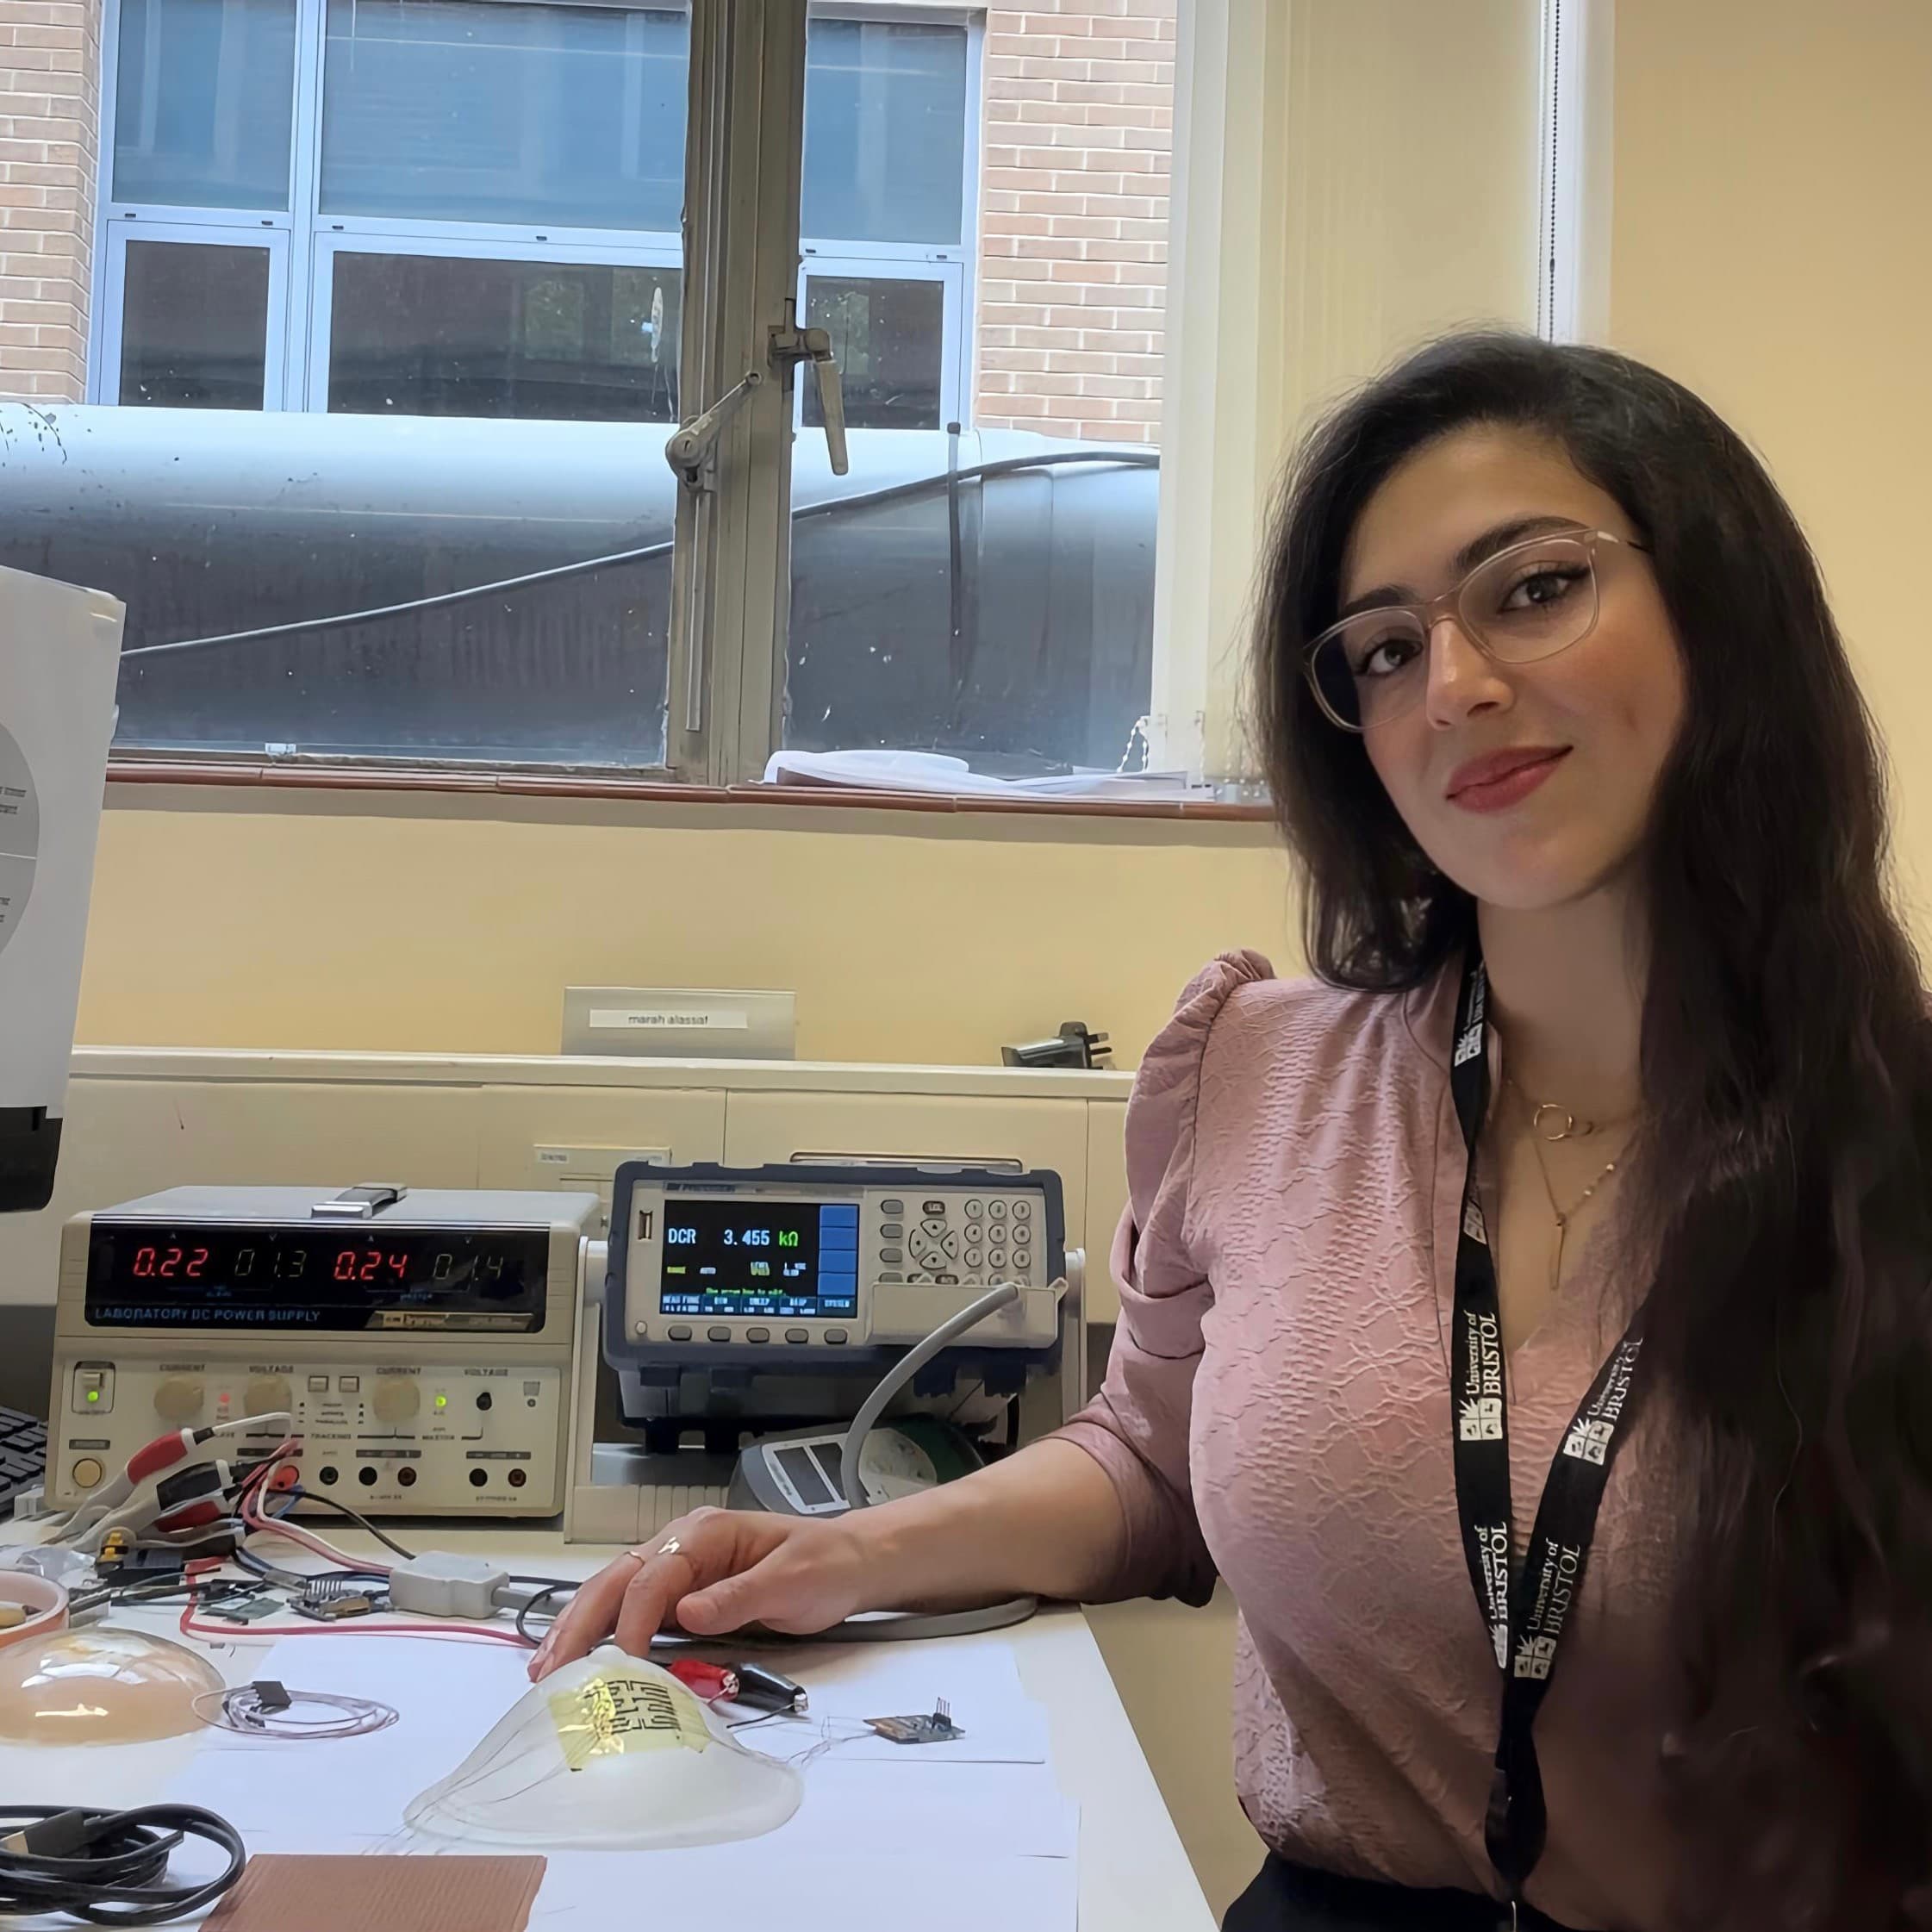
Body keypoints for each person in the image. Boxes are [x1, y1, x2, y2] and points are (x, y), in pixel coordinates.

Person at [528, 334, 1932, 1932]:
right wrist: (841, 1554)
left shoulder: (1890, 1135)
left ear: (1722, 613)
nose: (1455, 683)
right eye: (1383, 648)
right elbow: (1158, 1464)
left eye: (1533, 587)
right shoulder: (1261, 1074)